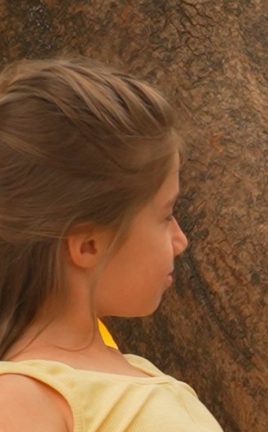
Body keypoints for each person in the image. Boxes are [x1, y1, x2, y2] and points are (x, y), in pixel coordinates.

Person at [0, 58, 223, 431]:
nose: (181, 240)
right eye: (166, 215)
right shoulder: (21, 397)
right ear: (88, 244)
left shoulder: (135, 372)